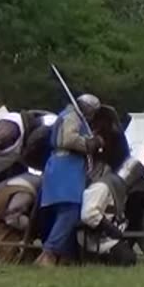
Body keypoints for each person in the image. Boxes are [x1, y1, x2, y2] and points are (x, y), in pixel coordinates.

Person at [36, 95, 102, 267]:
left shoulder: (67, 114)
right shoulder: (72, 116)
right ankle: (48, 253)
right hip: (66, 168)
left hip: (60, 166)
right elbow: (68, 139)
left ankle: (64, 255)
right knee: (69, 211)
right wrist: (89, 143)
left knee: (62, 212)